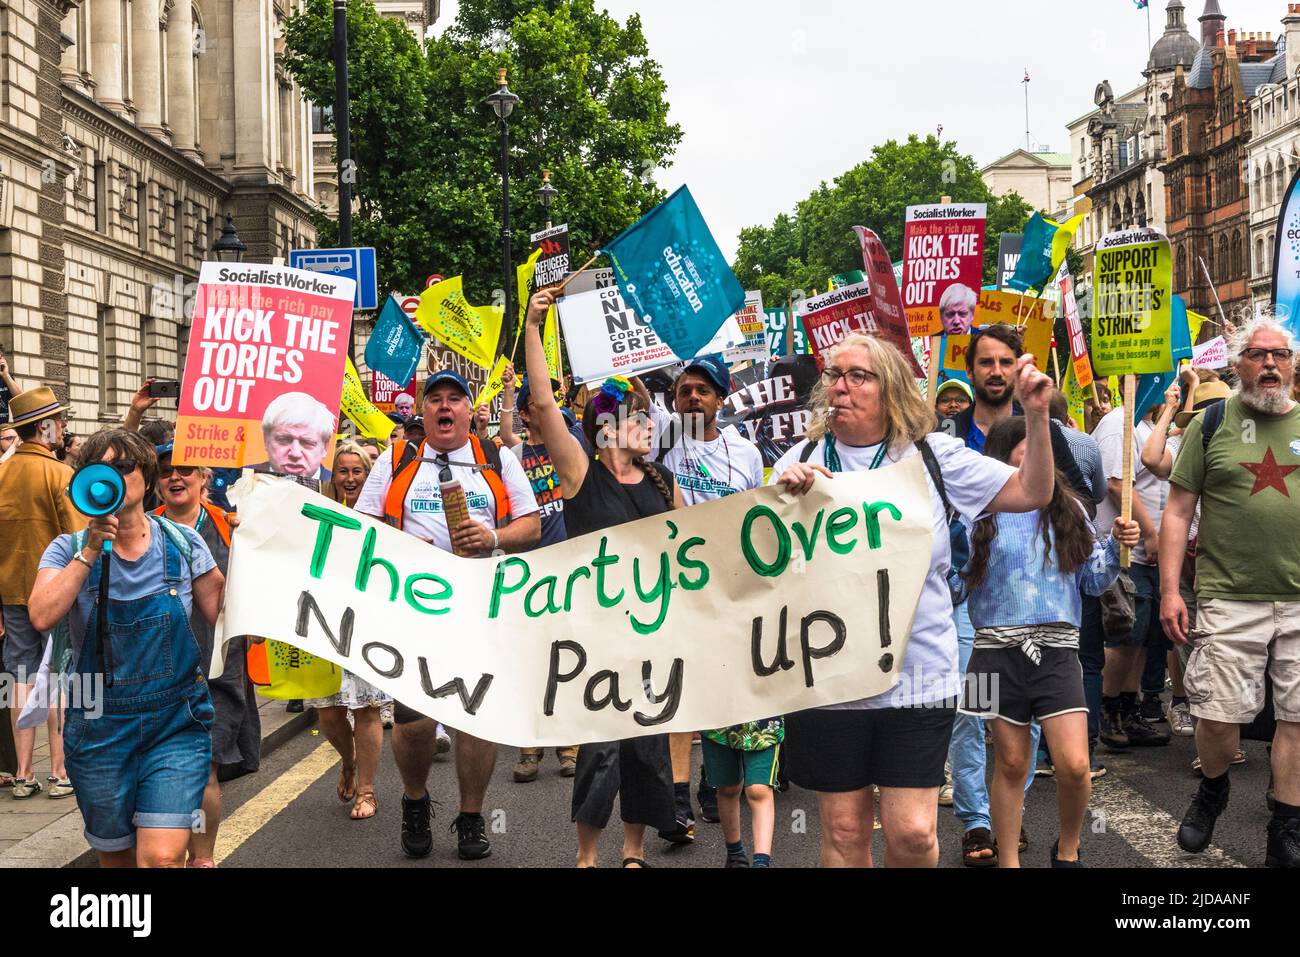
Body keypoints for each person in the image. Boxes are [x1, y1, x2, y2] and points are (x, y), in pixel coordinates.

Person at [770, 331, 1056, 867]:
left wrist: (1036, 417)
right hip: (827, 678)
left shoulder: (932, 457)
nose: (840, 387)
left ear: (892, 389)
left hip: (917, 677)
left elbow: (1033, 492)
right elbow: (763, 565)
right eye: (834, 375)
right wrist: (782, 499)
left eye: (858, 376)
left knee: (914, 833)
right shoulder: (799, 457)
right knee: (847, 831)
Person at [523, 287, 684, 868]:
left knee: (646, 748)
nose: (647, 422)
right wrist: (535, 325)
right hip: (596, 637)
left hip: (652, 634)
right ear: (606, 427)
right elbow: (543, 406)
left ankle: (633, 852)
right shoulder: (581, 474)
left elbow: (692, 548)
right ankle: (587, 856)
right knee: (600, 750)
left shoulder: (665, 483)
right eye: (636, 415)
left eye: (647, 414)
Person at [355, 370, 540, 861]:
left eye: (454, 399)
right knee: (415, 723)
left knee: (475, 717)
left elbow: (532, 523)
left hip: (481, 606)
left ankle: (473, 816)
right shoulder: (396, 460)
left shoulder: (497, 457)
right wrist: (399, 547)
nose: (444, 407)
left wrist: (494, 538)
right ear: (424, 410)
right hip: (413, 611)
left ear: (466, 409)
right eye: (434, 399)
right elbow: (361, 524)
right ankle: (416, 802)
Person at [28, 429, 225, 866]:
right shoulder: (67, 549)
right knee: (118, 859)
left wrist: (257, 551)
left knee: (160, 858)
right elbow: (41, 614)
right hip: (98, 730)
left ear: (145, 476)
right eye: (101, 469)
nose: (113, 477)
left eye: (124, 467)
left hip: (175, 723)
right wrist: (91, 550)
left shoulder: (183, 543)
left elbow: (226, 614)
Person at [962, 417, 1140, 867]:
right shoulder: (974, 513)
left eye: (1042, 447)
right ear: (1002, 457)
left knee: (1075, 765)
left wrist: (1119, 547)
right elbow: (954, 588)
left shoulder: (1071, 511)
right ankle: (1008, 860)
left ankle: (1067, 850)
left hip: (1059, 650)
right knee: (1011, 764)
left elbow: (1094, 581)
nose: (1037, 454)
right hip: (990, 653)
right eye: (1027, 446)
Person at [1160, 318, 1300, 867]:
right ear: (1238, 364)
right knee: (1217, 717)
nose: (1270, 364)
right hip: (1226, 596)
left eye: (1280, 355)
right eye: (1258, 354)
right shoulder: (1212, 422)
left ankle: (1286, 827)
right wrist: (1171, 591)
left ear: (1292, 365)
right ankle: (1213, 788)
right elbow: (1177, 511)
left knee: (1297, 716)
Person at [645, 354, 766, 834]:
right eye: (684, 391)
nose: (693, 396)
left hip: (732, 585)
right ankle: (677, 798)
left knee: (726, 685)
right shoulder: (665, 438)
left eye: (703, 390)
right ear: (673, 401)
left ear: (721, 398)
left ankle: (714, 783)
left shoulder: (747, 453)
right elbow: (624, 392)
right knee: (682, 687)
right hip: (675, 583)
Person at [151, 443, 260, 865]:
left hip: (217, 665)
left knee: (203, 766)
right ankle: (169, 853)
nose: (175, 478)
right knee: (166, 770)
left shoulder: (231, 527)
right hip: (157, 668)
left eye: (184, 470)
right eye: (165, 472)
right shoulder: (142, 529)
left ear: (203, 477)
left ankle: (201, 857)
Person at [498, 365, 585, 783]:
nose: (542, 410)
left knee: (568, 657)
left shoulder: (567, 448)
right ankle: (529, 748)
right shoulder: (513, 456)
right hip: (527, 573)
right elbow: (506, 430)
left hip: (568, 572)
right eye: (535, 404)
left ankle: (569, 747)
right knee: (531, 662)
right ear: (526, 413)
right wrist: (510, 391)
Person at [0, 387, 84, 799]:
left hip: (11, 592)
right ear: (45, 426)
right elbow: (79, 536)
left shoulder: (1, 473)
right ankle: (60, 770)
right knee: (61, 676)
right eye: (59, 421)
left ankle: (21, 773)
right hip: (55, 594)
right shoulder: (60, 474)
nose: (63, 428)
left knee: (19, 675)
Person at [308, 441, 392, 820]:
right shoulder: (316, 512)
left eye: (357, 470)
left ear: (368, 475)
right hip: (323, 622)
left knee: (367, 708)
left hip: (367, 624)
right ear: (334, 476)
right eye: (342, 471)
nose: (350, 477)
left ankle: (368, 790)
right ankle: (348, 760)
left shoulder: (383, 516)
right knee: (328, 714)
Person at [1091, 396, 1172, 752]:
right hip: (1125, 550)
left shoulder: (1147, 426)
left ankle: (1127, 708)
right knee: (1124, 634)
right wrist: (1151, 533)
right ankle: (1108, 710)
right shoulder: (1117, 423)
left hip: (1149, 553)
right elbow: (1115, 482)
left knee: (1141, 637)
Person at [251, 392, 335, 481]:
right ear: (266, 441)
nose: (295, 454)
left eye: (307, 442)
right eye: (284, 440)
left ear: (325, 448)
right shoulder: (242, 475)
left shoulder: (339, 488)